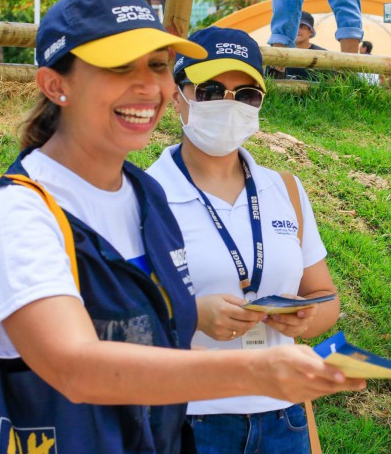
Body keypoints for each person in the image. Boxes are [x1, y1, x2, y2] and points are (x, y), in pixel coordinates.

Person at [0, 0, 365, 453]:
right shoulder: (17, 209)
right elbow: (74, 367)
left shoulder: (144, 196)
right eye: (118, 68)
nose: (147, 88)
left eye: (155, 66)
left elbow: (155, 342)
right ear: (55, 85)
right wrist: (255, 371)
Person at [146, 25, 342, 454]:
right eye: (211, 89)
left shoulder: (285, 189)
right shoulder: (145, 195)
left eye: (247, 94)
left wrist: (305, 320)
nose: (228, 105)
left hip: (283, 417)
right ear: (178, 94)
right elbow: (117, 320)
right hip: (191, 417)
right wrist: (192, 316)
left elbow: (325, 295)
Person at [268, 0, 362, 54]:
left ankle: (349, 70)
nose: (298, 30)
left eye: (302, 27)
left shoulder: (321, 52)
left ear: (311, 31)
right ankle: (277, 68)